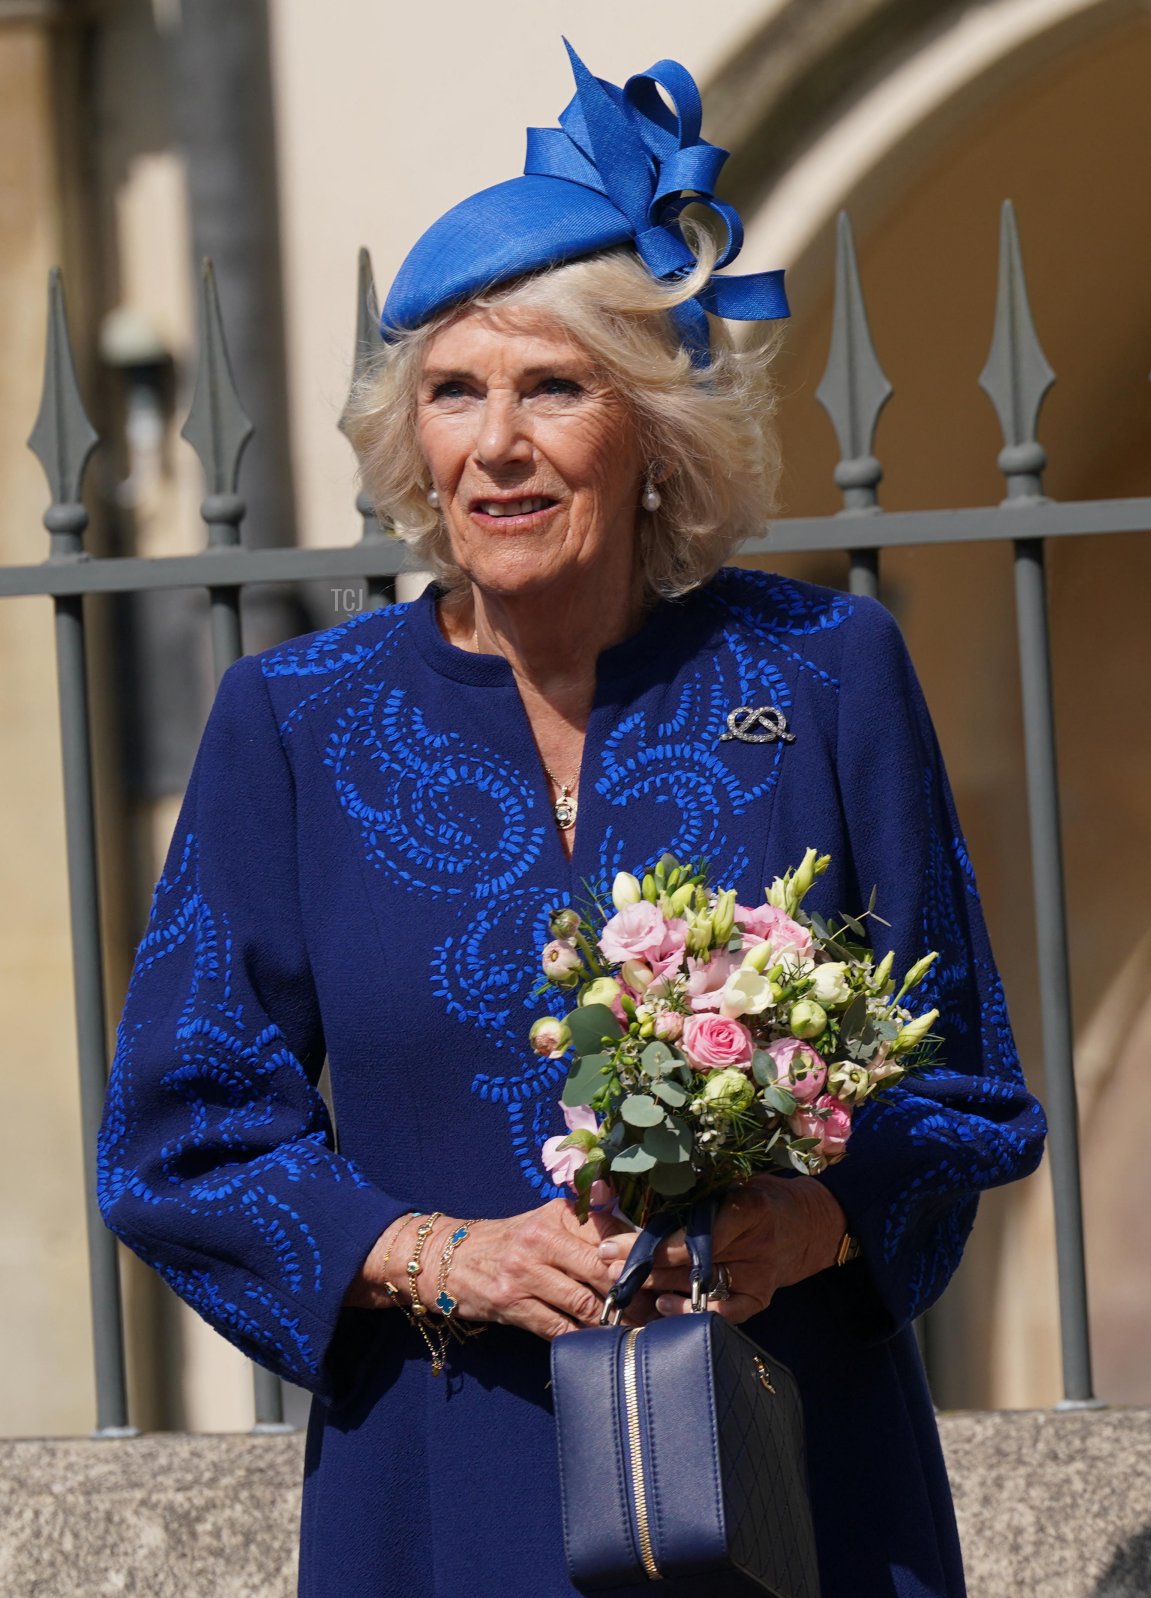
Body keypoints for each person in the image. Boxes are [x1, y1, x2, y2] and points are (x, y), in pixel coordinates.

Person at [97, 41, 1047, 1598]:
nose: (499, 443)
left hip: (794, 1478)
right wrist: (442, 1253)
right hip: (443, 1481)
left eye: (553, 386)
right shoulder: (296, 721)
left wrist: (810, 1219)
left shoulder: (823, 672)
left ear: (652, 427)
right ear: (413, 444)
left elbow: (964, 1084)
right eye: (454, 393)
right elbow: (179, 1139)